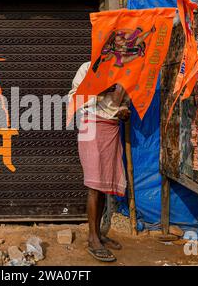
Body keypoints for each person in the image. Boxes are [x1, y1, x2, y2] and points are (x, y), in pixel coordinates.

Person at [68, 61, 131, 262]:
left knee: (103, 185)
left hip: (111, 128)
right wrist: (99, 89)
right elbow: (73, 99)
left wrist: (124, 111)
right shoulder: (87, 69)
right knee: (94, 185)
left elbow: (125, 103)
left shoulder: (123, 71)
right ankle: (93, 238)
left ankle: (98, 233)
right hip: (92, 126)